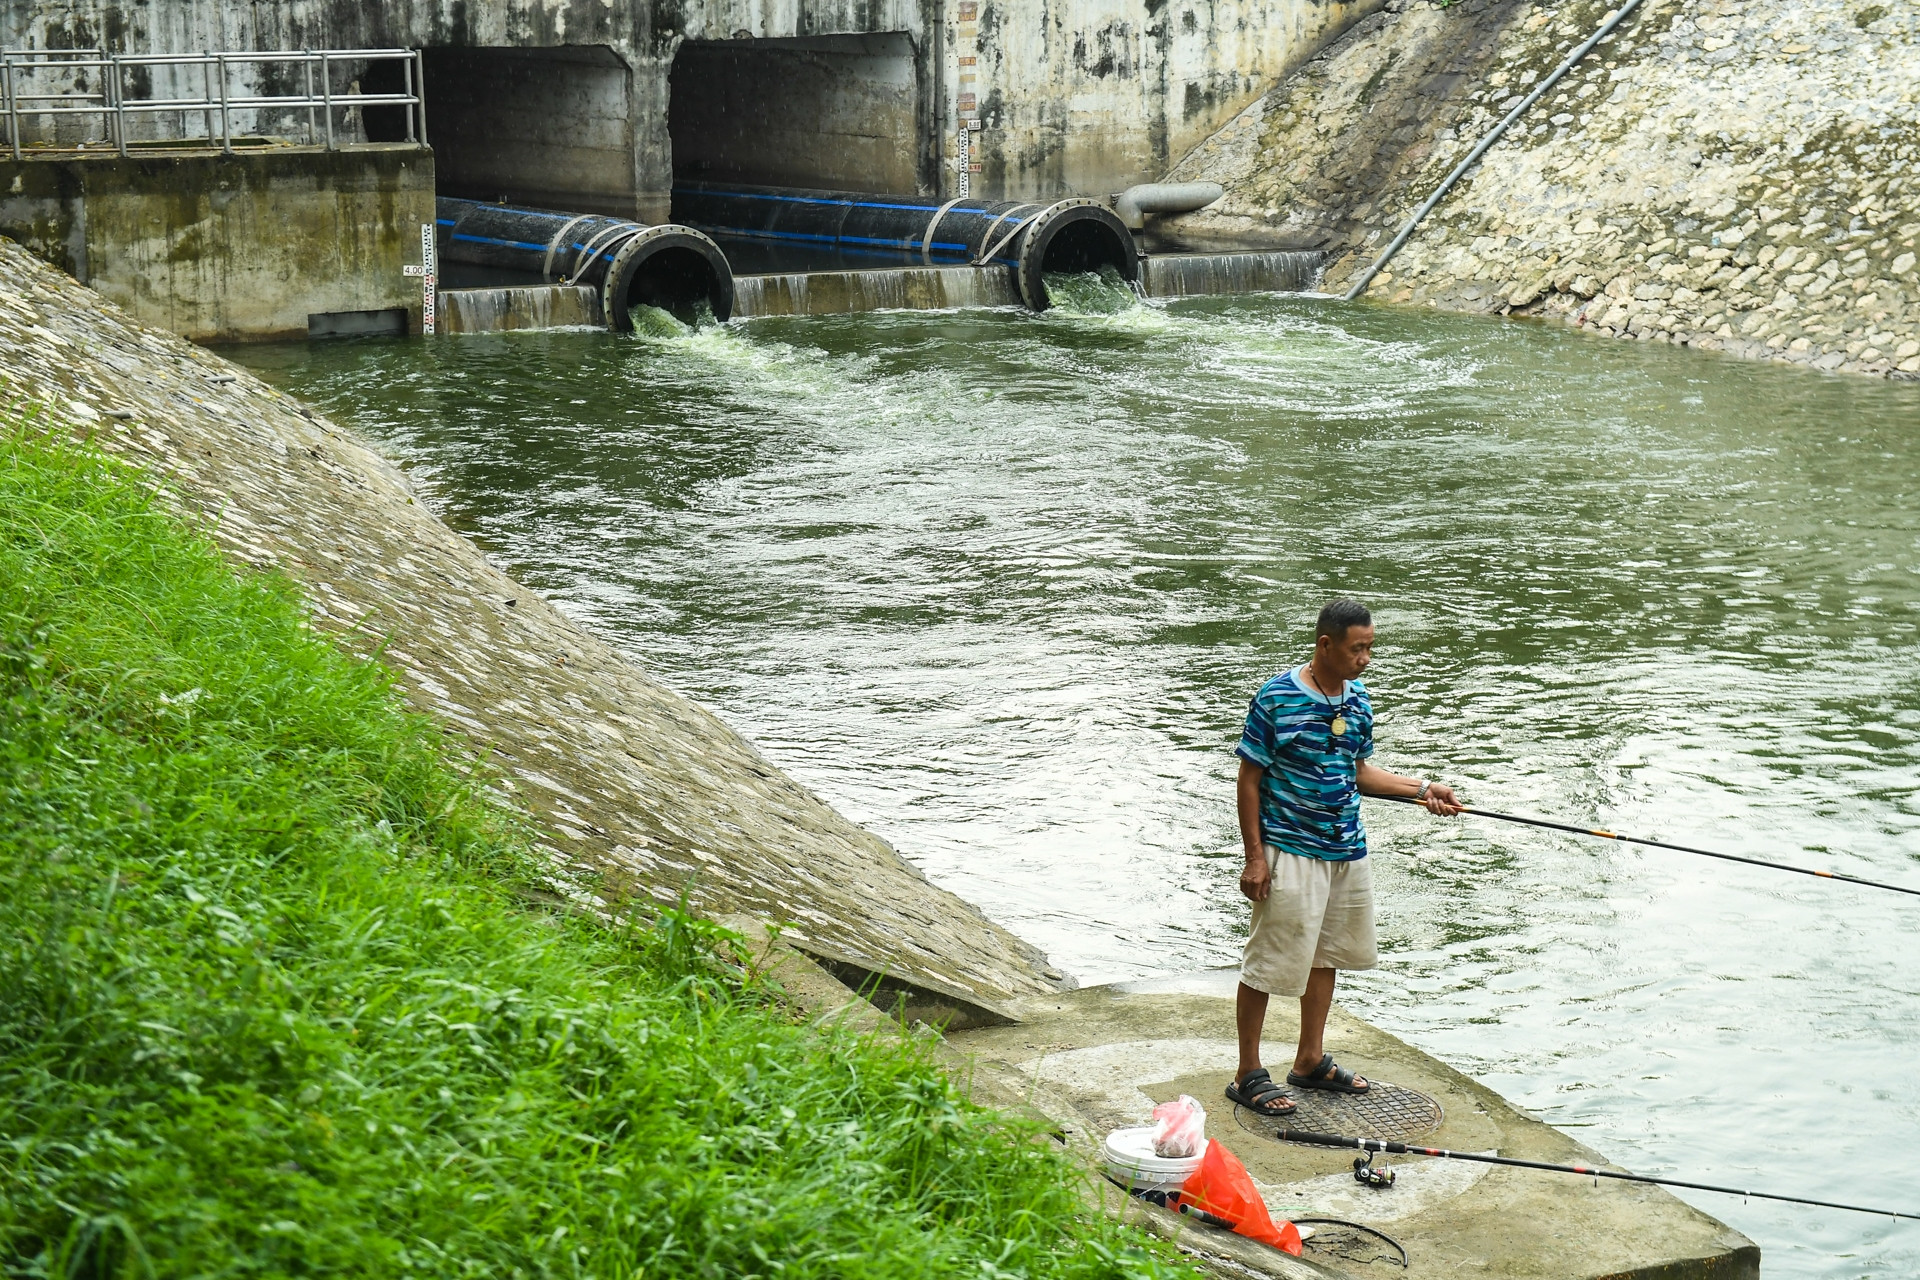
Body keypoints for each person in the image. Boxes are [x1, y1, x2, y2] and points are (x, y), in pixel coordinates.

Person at [1224, 599, 1461, 1118]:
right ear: (1325, 645)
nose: (1366, 659)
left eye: (1370, 648)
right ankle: (1247, 1072)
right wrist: (1256, 858)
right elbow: (1249, 779)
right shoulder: (1276, 698)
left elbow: (1360, 773)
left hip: (1346, 850)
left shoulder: (1357, 700)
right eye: (1358, 649)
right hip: (1291, 849)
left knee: (1327, 956)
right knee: (1268, 962)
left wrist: (1424, 788)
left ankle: (1309, 1059)